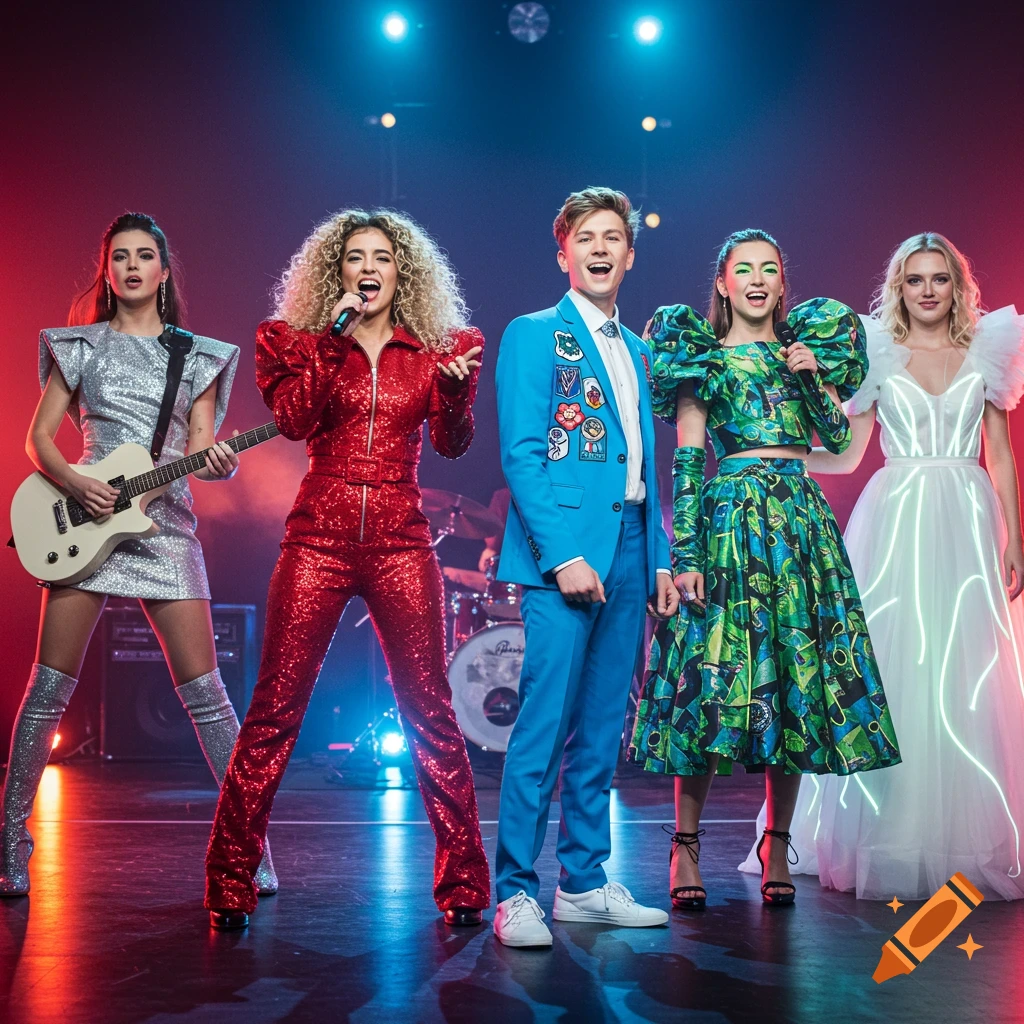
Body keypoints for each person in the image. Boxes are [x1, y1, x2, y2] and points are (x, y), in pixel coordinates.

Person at [204, 209, 491, 930]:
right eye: (355, 257)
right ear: (337, 273)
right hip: (317, 539)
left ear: (404, 273)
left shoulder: (439, 349)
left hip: (400, 539)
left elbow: (454, 446)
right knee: (275, 709)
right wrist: (332, 342)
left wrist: (455, 391)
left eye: (383, 257)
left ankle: (463, 882)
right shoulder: (292, 342)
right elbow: (297, 420)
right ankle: (230, 876)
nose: (369, 267)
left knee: (430, 708)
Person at [739, 232, 1024, 900]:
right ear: (899, 287)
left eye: (939, 279)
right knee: (885, 672)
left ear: (957, 286)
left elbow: (1001, 456)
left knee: (964, 677)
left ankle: (966, 836)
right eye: (915, 279)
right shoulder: (875, 358)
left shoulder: (988, 352)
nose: (928, 291)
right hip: (895, 516)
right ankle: (879, 832)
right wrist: (778, 457)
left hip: (966, 514)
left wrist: (1015, 536)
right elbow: (844, 454)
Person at [0, 212, 276, 896]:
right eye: (118, 256)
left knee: (210, 697)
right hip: (86, 522)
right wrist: (77, 485)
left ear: (162, 270)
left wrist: (218, 464)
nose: (129, 266)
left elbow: (207, 454)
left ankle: (247, 843)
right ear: (107, 270)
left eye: (143, 255)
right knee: (46, 692)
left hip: (166, 529)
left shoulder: (200, 356)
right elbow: (39, 441)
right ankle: (9, 835)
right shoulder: (81, 346)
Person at [630, 229, 901, 910]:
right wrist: (684, 556)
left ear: (784, 284)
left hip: (799, 523)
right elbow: (688, 459)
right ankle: (684, 847)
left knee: (793, 680)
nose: (756, 280)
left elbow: (837, 442)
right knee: (709, 681)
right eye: (742, 270)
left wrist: (811, 379)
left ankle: (777, 844)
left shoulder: (803, 352)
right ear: (722, 284)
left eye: (769, 270)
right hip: (729, 525)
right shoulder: (702, 358)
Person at [492, 187, 678, 947]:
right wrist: (562, 554)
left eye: (614, 238)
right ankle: (513, 893)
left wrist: (660, 558)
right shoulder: (534, 334)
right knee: (544, 725)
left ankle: (584, 881)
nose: (600, 249)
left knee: (604, 728)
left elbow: (647, 466)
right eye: (586, 237)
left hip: (633, 548)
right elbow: (523, 454)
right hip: (564, 554)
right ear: (563, 251)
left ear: (631, 255)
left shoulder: (639, 350)